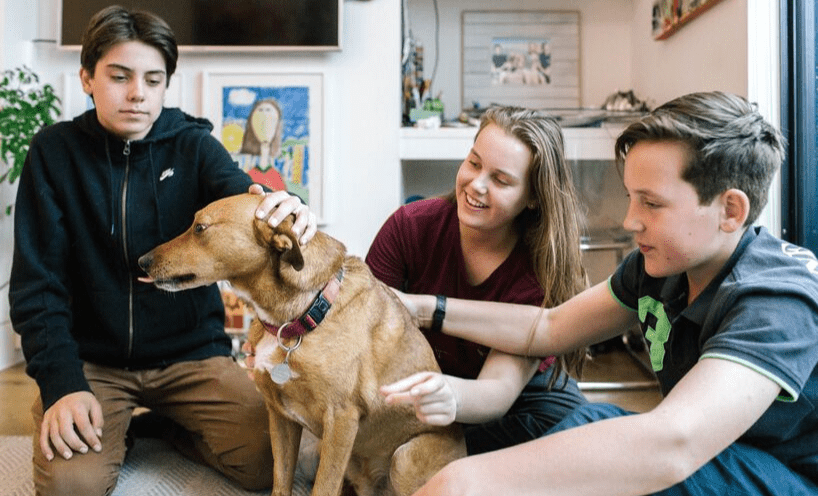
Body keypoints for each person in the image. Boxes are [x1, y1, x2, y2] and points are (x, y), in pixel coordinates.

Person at [388, 92, 818, 495]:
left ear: (730, 211)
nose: (631, 220)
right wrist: (423, 308)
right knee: (589, 436)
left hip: (792, 478)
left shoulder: (777, 300)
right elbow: (548, 327)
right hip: (725, 460)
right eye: (631, 198)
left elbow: (674, 441)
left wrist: (469, 481)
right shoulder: (662, 267)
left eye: (651, 203)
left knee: (604, 434)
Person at [8, 6, 316, 496]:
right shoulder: (53, 153)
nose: (138, 93)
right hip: (92, 363)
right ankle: (108, 420)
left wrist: (288, 205)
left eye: (153, 80)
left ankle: (159, 430)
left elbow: (246, 197)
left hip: (192, 358)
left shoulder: (193, 145)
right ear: (87, 77)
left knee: (271, 461)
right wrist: (62, 383)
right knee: (72, 488)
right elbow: (36, 287)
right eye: (120, 76)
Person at [370, 106, 589, 455]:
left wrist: (447, 393)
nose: (477, 184)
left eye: (501, 180)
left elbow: (497, 392)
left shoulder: (538, 270)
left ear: (533, 197)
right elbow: (362, 332)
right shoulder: (410, 226)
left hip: (520, 405)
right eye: (474, 163)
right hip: (429, 396)